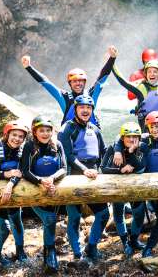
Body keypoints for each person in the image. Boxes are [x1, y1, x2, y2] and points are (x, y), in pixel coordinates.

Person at [57, 95, 108, 261]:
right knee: (74, 217)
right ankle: (77, 254)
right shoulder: (67, 129)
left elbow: (104, 152)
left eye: (88, 108)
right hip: (74, 176)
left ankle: (91, 247)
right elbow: (68, 156)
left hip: (93, 175)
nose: (85, 110)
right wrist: (85, 170)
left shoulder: (95, 129)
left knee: (104, 214)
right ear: (75, 110)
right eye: (82, 108)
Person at [21, 46, 117, 125]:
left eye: (81, 81)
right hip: (70, 137)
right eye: (74, 81)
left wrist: (112, 58)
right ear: (70, 83)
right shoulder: (64, 96)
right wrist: (29, 67)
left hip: (91, 134)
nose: (78, 83)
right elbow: (46, 82)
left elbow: (103, 76)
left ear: (84, 82)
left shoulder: (92, 94)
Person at [20, 116, 67, 272]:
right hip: (35, 190)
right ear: (35, 132)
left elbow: (64, 168)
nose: (45, 133)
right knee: (49, 218)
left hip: (53, 189)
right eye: (41, 130)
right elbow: (25, 170)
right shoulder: (29, 146)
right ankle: (50, 251)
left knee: (51, 220)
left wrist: (52, 179)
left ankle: (49, 252)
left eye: (48, 130)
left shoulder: (57, 145)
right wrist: (40, 181)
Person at [0, 121, 30, 266]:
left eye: (21, 136)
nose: (17, 139)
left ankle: (20, 252)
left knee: (17, 223)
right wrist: (5, 174)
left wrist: (10, 184)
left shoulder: (23, 150)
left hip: (13, 191)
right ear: (7, 134)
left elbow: (20, 172)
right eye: (14, 135)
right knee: (4, 228)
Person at [101, 122, 147, 257]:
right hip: (118, 189)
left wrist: (131, 153)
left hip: (136, 189)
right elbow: (103, 168)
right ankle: (125, 242)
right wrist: (120, 170)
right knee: (118, 215)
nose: (132, 140)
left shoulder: (142, 147)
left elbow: (142, 167)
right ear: (122, 138)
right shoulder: (113, 148)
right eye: (128, 136)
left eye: (135, 137)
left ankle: (133, 241)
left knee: (138, 216)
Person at [111, 51, 158, 130]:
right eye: (149, 72)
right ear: (145, 75)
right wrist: (112, 60)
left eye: (155, 72)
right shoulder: (141, 88)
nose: (152, 74)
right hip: (146, 131)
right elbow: (123, 81)